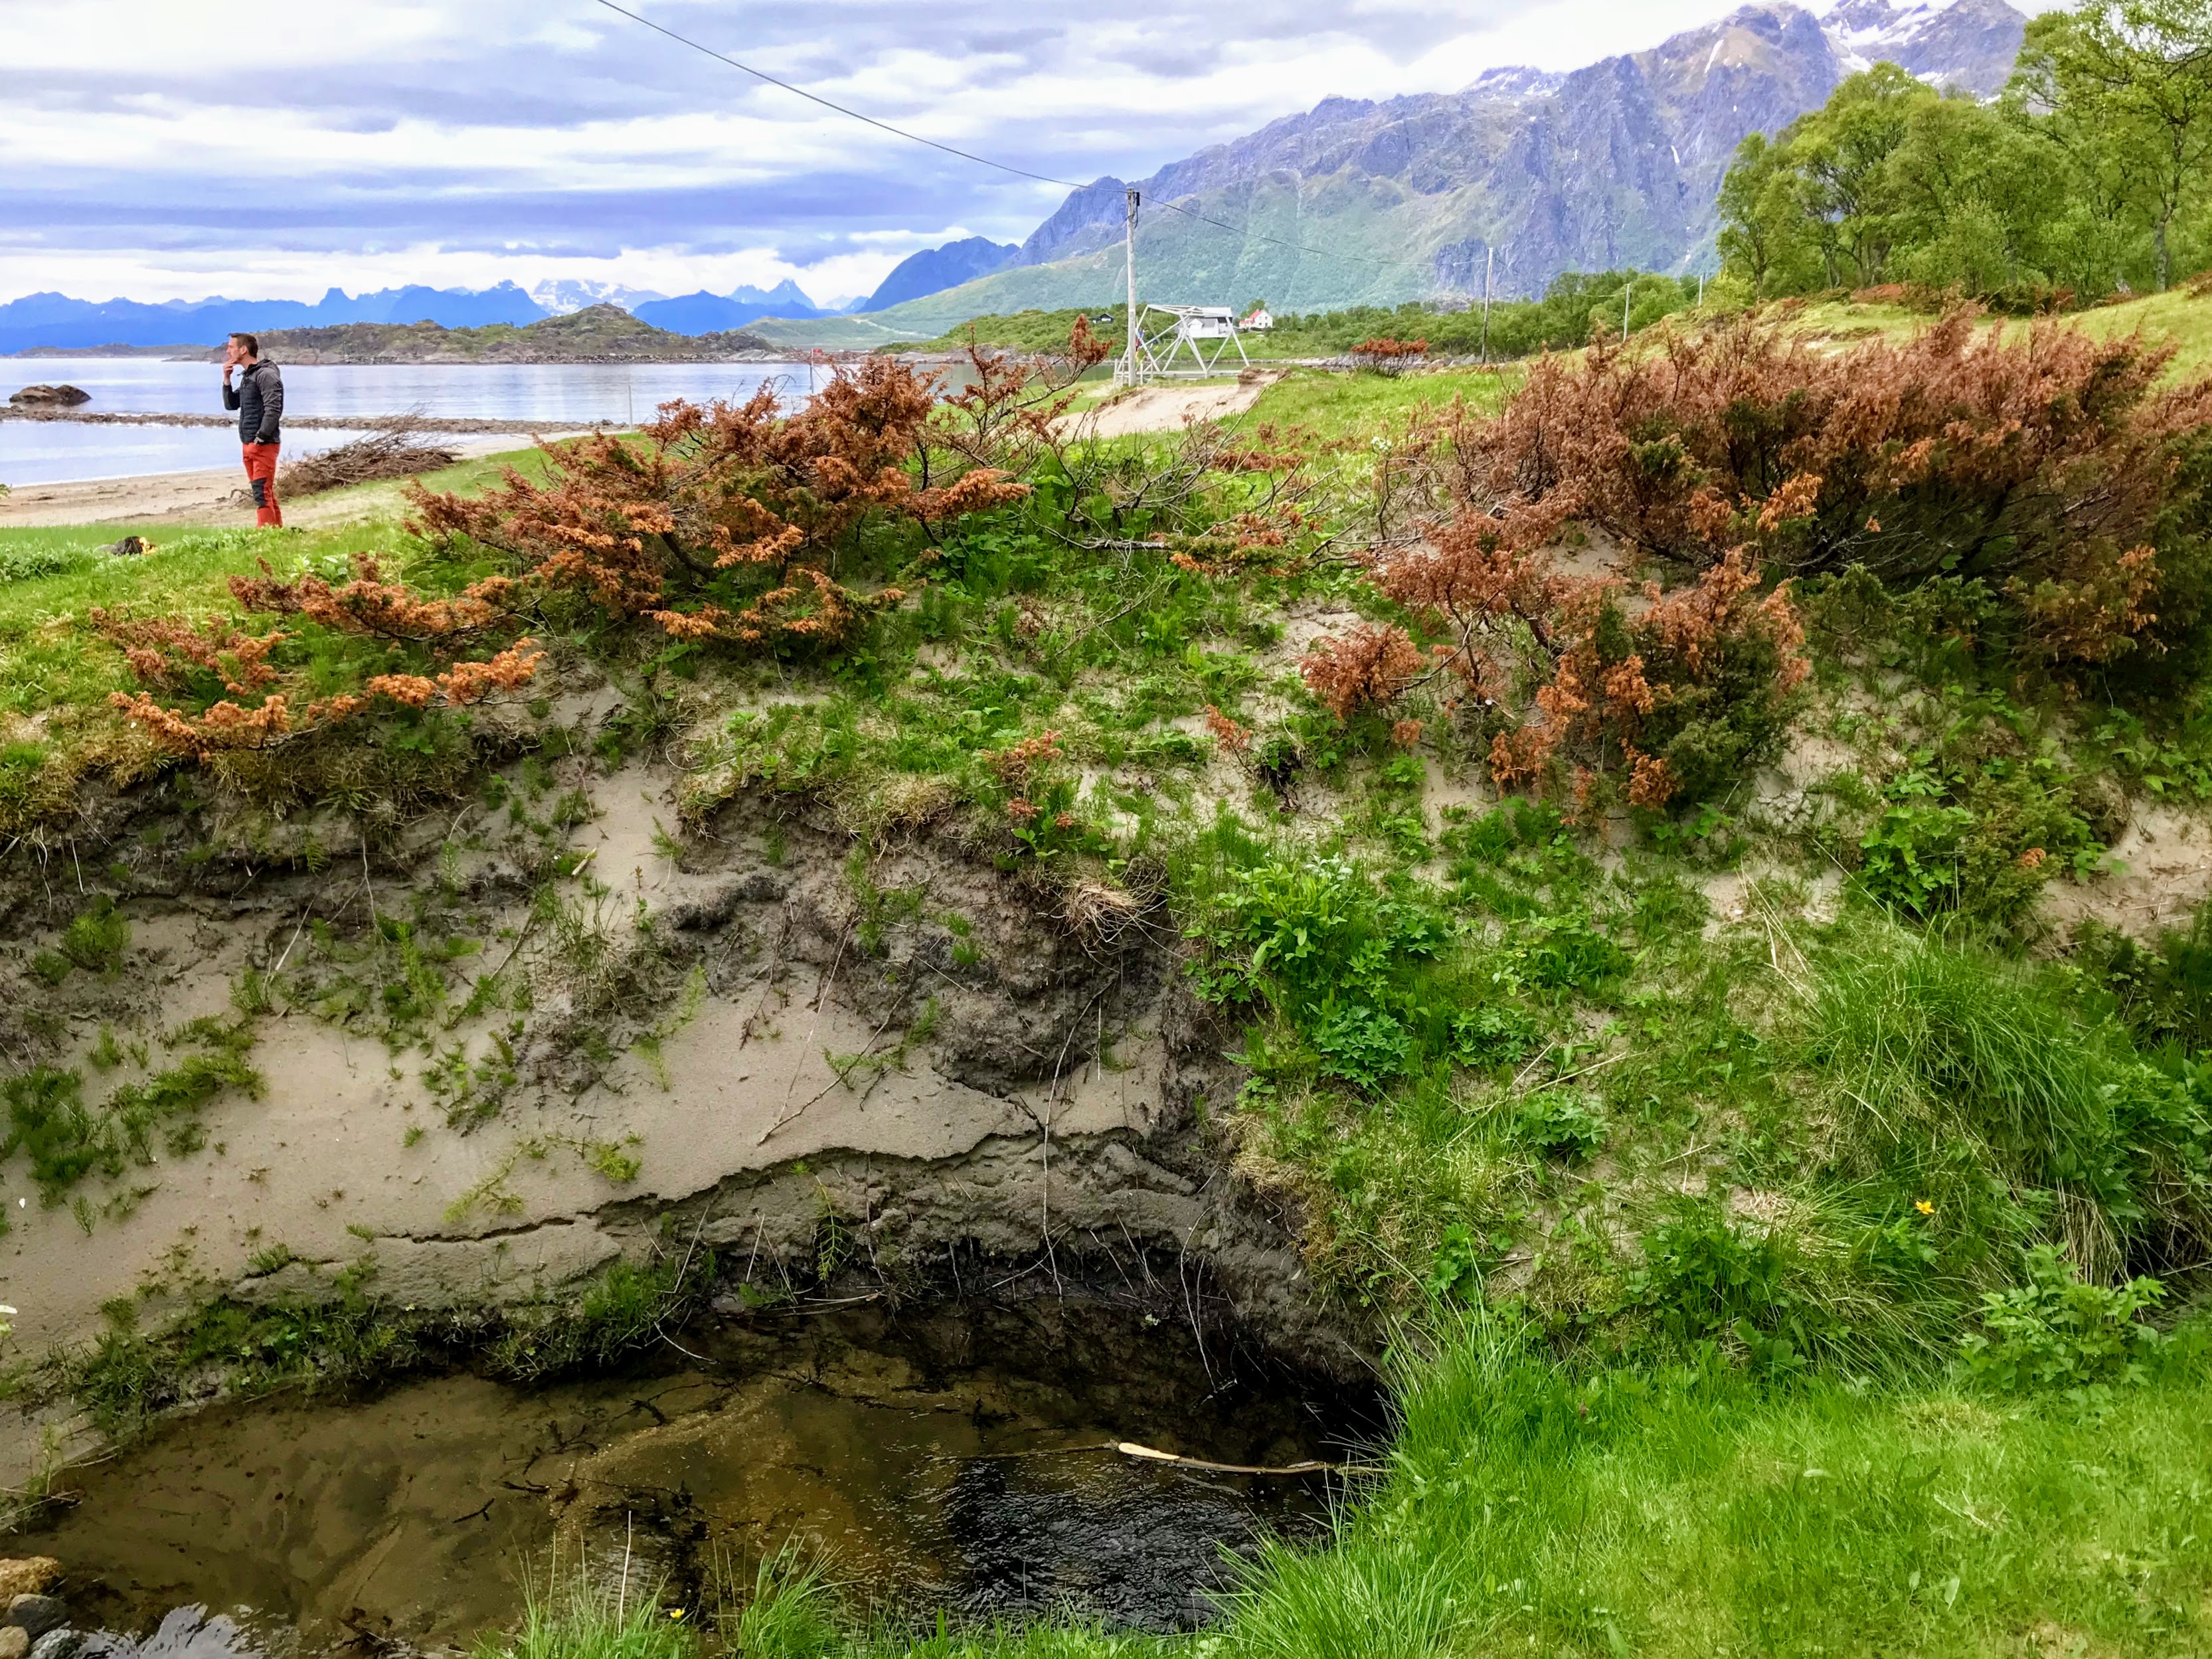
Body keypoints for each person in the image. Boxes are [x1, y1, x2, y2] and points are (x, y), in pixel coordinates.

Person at [222, 332, 284, 527]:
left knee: (261, 493)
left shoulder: (266, 375)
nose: (227, 350)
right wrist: (227, 379)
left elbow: (274, 409)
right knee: (264, 492)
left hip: (263, 444)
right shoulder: (249, 376)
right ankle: (276, 532)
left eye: (231, 347)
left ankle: (264, 534)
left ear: (243, 350)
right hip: (248, 443)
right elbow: (232, 405)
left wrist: (261, 438)